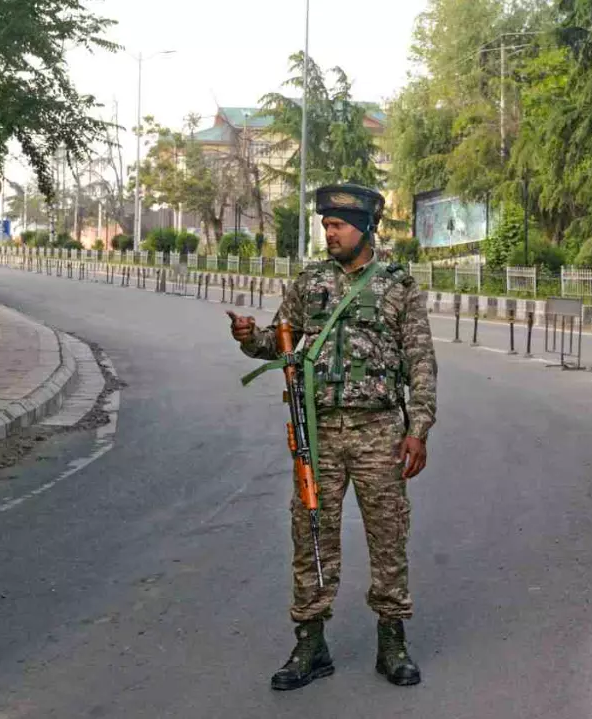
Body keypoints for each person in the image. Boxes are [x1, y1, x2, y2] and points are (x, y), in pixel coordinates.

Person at [228, 183, 437, 691]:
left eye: (338, 225)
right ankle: (311, 642)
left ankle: (392, 641)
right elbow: (279, 340)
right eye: (325, 225)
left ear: (365, 227)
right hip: (319, 432)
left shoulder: (396, 286)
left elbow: (421, 362)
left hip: (380, 431)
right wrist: (248, 337)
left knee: (388, 536)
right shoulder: (311, 281)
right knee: (312, 535)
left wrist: (418, 429)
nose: (330, 233)